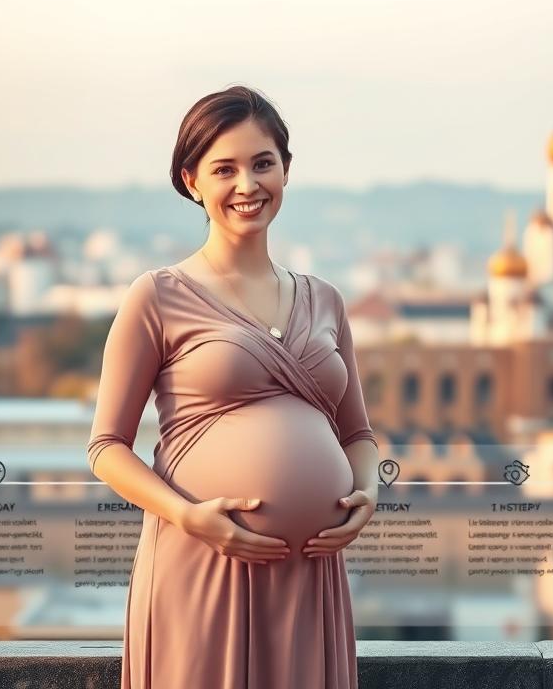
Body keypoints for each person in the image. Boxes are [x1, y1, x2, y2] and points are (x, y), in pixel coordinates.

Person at [86, 85, 379, 688]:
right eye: (225, 169)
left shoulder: (325, 300)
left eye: (262, 163)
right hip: (203, 561)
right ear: (192, 179)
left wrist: (367, 495)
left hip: (309, 574)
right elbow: (106, 448)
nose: (248, 185)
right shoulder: (158, 296)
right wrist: (191, 518)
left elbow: (358, 435)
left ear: (286, 171)